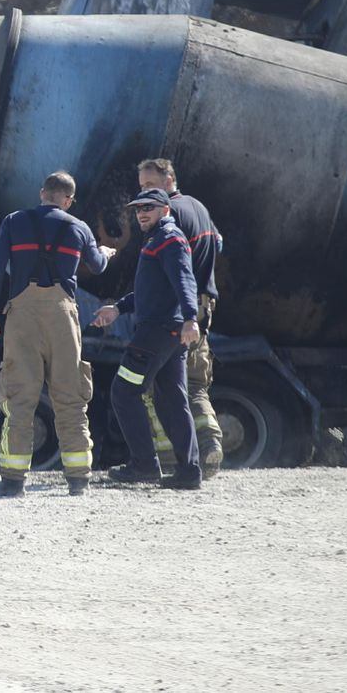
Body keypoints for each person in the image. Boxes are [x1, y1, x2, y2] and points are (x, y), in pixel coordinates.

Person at [0, 171, 116, 497]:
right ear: (69, 200)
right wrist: (106, 253)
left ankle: (13, 481)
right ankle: (78, 479)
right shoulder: (78, 227)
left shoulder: (13, 221)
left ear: (42, 193)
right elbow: (96, 266)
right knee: (70, 395)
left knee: (19, 397)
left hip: (22, 316)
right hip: (62, 316)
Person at [93, 188, 203, 490]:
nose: (142, 212)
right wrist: (119, 308)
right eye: (139, 208)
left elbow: (184, 279)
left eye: (149, 208)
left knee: (124, 391)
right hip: (168, 331)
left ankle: (144, 464)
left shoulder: (169, 239)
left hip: (158, 331)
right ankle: (189, 471)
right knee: (171, 399)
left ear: (165, 210)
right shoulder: (157, 240)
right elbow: (149, 291)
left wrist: (192, 318)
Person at [136, 158, 225, 475]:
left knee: (163, 383)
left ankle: (174, 457)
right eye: (142, 184)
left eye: (149, 184)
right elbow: (219, 243)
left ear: (169, 178)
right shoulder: (198, 208)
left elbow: (176, 268)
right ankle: (210, 444)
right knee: (195, 381)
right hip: (203, 304)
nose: (144, 191)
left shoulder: (169, 217)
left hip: (177, 309)